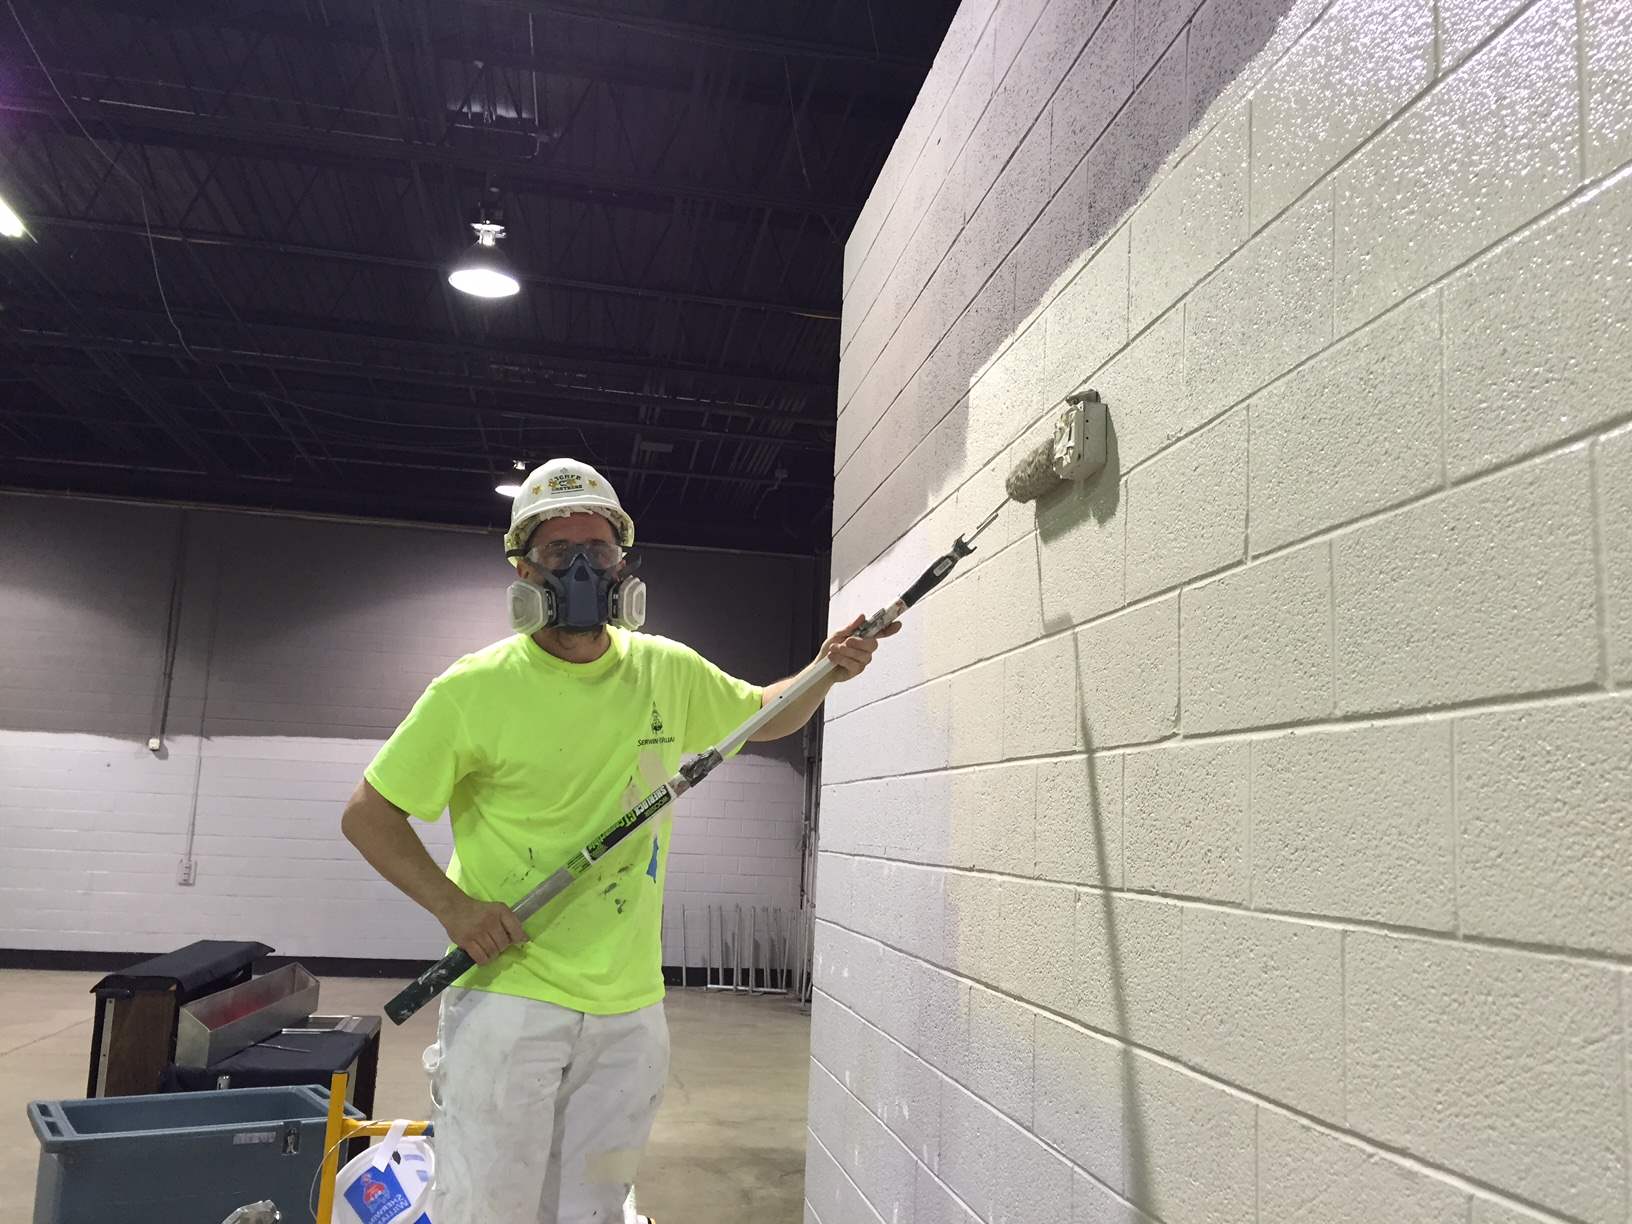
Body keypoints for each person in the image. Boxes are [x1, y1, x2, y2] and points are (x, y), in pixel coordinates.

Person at [340, 457, 896, 1224]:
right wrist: (456, 909)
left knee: (594, 1206)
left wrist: (826, 672)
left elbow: (762, 715)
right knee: (489, 1209)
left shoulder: (663, 668)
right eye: (559, 552)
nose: (580, 569)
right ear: (523, 568)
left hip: (629, 1009)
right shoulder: (474, 688)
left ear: (623, 565)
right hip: (509, 997)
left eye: (597, 552)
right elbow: (368, 814)